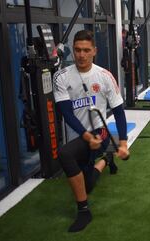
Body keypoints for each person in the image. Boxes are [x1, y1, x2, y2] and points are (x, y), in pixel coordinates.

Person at [53, 30, 129, 232]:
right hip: (80, 136)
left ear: (94, 51)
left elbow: (119, 112)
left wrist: (123, 142)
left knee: (64, 154)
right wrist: (85, 136)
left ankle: (84, 211)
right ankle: (106, 160)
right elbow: (66, 113)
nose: (81, 55)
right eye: (77, 50)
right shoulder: (61, 77)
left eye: (86, 50)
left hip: (99, 133)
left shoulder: (104, 76)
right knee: (85, 186)